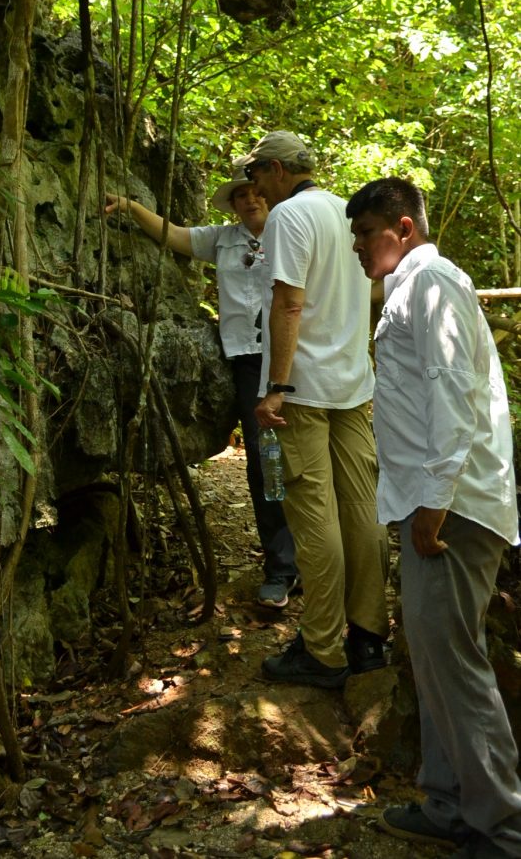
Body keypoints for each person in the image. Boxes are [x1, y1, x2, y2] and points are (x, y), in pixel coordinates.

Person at [347, 177, 521, 859]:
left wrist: (436, 499)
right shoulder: (408, 289)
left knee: (456, 664)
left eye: (367, 233)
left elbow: (455, 389)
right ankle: (451, 803)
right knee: (435, 661)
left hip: (452, 509)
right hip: (433, 502)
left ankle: (501, 828)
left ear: (404, 229)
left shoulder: (433, 284)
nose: (359, 246)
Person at [105, 159, 298, 607]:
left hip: (292, 358)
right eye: (240, 195)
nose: (249, 199)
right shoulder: (223, 239)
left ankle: (314, 558)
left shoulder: (292, 233)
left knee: (303, 461)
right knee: (265, 463)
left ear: (271, 191)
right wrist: (132, 206)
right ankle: (282, 566)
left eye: (255, 191)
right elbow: (174, 234)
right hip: (249, 364)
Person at [244, 130, 389, 688]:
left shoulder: (289, 218)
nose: (253, 185)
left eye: (257, 173)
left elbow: (289, 301)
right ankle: (369, 637)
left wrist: (277, 384)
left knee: (314, 517)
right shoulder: (344, 213)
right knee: (362, 508)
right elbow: (365, 293)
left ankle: (324, 649)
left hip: (302, 393)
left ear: (279, 170)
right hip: (353, 386)